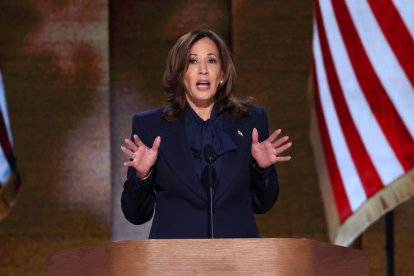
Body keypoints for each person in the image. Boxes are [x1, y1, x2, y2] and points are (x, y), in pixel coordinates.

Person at [120, 29, 292, 239]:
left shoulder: (251, 122)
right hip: (174, 263)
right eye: (192, 61)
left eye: (211, 61)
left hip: (238, 262)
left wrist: (262, 169)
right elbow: (136, 215)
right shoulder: (150, 126)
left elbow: (262, 204)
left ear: (222, 74)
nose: (203, 70)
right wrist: (142, 175)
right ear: (180, 73)